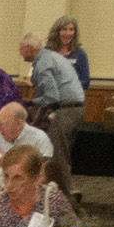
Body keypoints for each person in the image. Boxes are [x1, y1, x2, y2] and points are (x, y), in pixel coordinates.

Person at [22, 29, 85, 198]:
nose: (20, 53)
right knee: (61, 155)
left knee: (58, 157)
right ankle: (63, 194)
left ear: (29, 48)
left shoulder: (43, 63)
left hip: (66, 110)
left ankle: (62, 199)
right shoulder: (50, 57)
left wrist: (29, 105)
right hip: (73, 109)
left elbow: (51, 97)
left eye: (21, 48)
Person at [0, 101, 52, 166]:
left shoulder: (40, 138)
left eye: (3, 124)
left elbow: (44, 170)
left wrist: (9, 160)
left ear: (18, 124)